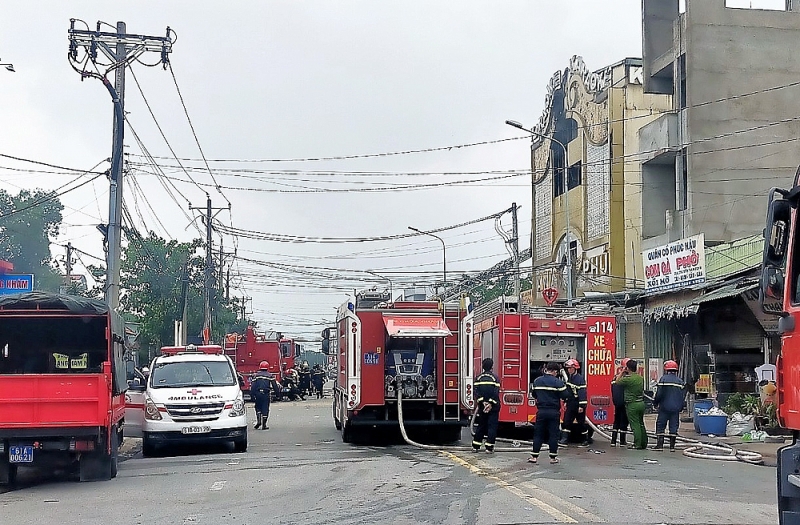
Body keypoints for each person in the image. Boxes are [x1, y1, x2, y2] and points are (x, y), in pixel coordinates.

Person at [529, 362, 570, 465]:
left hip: (541, 411)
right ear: (555, 372)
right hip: (554, 412)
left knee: (538, 434)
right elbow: (565, 395)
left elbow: (534, 394)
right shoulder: (558, 383)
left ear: (546, 369)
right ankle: (553, 458)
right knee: (553, 434)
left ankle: (534, 456)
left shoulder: (537, 381)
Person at [614, 359, 647, 449]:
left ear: (627, 368)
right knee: (641, 424)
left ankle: (637, 444)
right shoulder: (640, 378)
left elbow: (617, 381)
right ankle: (644, 443)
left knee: (635, 425)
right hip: (641, 403)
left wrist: (622, 372)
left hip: (632, 404)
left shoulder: (627, 379)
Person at [653, 359, 685, 451]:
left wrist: (655, 403)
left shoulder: (663, 379)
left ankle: (659, 446)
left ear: (666, 370)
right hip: (675, 409)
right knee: (673, 426)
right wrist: (681, 407)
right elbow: (682, 396)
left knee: (660, 425)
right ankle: (672, 447)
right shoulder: (680, 382)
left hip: (664, 407)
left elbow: (659, 394)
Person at [472, 358, 501, 454]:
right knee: (492, 427)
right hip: (493, 407)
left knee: (481, 425)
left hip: (482, 406)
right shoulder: (495, 378)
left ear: (482, 366)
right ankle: (489, 448)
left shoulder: (478, 378)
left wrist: (483, 402)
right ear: (492, 366)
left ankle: (476, 446)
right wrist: (490, 403)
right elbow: (496, 392)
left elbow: (476, 391)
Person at [559, 358, 590, 447]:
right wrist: (565, 402)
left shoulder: (580, 379)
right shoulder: (570, 378)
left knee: (581, 423)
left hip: (578, 404)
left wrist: (581, 405)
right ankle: (564, 440)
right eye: (568, 368)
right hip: (571, 403)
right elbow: (568, 391)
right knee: (566, 421)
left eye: (570, 368)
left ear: (575, 368)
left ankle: (585, 440)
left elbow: (582, 393)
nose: (569, 370)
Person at [251, 361, 280, 430]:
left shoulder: (256, 376)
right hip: (266, 394)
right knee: (265, 408)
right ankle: (264, 424)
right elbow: (275, 386)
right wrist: (278, 395)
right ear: (267, 367)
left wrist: (252, 395)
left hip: (258, 394)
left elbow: (253, 386)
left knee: (258, 407)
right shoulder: (270, 375)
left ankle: (258, 421)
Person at [610, 358, 630, 448]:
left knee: (616, 422)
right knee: (624, 423)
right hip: (624, 403)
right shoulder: (626, 379)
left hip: (617, 403)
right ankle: (622, 441)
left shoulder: (615, 377)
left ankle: (613, 441)